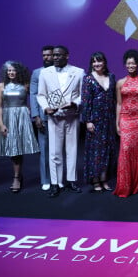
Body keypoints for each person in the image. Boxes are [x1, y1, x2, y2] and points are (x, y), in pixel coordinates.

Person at [37, 45, 84, 198]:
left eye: (58, 55)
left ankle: (71, 180)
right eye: (53, 55)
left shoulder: (78, 72)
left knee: (72, 150)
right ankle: (55, 183)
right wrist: (46, 108)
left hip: (72, 117)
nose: (55, 58)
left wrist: (75, 103)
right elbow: (41, 95)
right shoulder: (45, 73)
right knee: (54, 152)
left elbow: (83, 95)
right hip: (54, 118)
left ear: (67, 56)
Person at [0, 61, 39, 193]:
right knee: (13, 149)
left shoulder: (25, 85)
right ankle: (17, 176)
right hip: (8, 117)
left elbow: (34, 99)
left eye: (13, 70)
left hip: (22, 117)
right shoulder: (1, 86)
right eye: (8, 70)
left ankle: (16, 177)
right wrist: (1, 124)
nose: (11, 73)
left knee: (19, 148)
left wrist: (31, 110)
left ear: (18, 72)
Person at [114, 49, 138, 197]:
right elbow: (118, 103)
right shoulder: (120, 82)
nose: (130, 66)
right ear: (125, 65)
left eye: (133, 63)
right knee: (126, 149)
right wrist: (117, 122)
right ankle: (125, 185)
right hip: (125, 119)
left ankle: (137, 184)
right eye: (128, 63)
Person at [81, 51, 117, 193]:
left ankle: (104, 179)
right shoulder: (88, 79)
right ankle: (95, 180)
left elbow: (114, 98)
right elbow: (85, 102)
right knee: (96, 152)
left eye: (99, 61)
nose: (97, 64)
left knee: (108, 150)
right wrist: (88, 121)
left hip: (109, 119)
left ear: (104, 62)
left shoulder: (112, 77)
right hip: (95, 120)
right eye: (94, 61)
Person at [29, 45, 54, 191]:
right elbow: (33, 94)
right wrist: (36, 115)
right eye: (44, 55)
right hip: (43, 116)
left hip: (60, 116)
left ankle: (58, 178)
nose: (46, 57)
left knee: (58, 150)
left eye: (49, 55)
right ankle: (45, 179)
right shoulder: (37, 73)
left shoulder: (61, 72)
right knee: (44, 149)